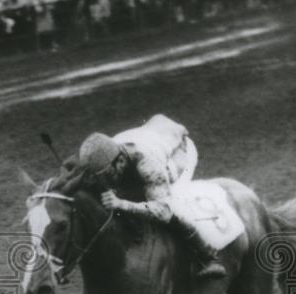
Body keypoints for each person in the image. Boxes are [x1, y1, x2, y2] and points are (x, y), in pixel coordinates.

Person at [78, 114, 227, 280]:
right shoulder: (110, 156)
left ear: (119, 161)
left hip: (179, 154)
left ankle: (207, 256)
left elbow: (161, 209)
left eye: (107, 175)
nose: (104, 181)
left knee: (172, 209)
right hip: (151, 136)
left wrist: (122, 204)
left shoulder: (149, 166)